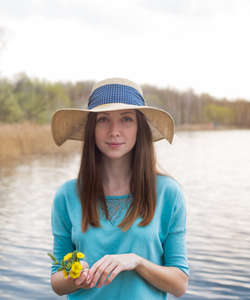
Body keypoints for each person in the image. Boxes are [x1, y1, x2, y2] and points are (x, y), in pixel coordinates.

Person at [49, 78, 189, 299]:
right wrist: (74, 278)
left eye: (126, 119)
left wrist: (137, 262)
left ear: (139, 128)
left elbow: (179, 284)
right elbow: (57, 282)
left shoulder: (167, 193)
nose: (114, 131)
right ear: (92, 129)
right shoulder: (67, 195)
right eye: (103, 120)